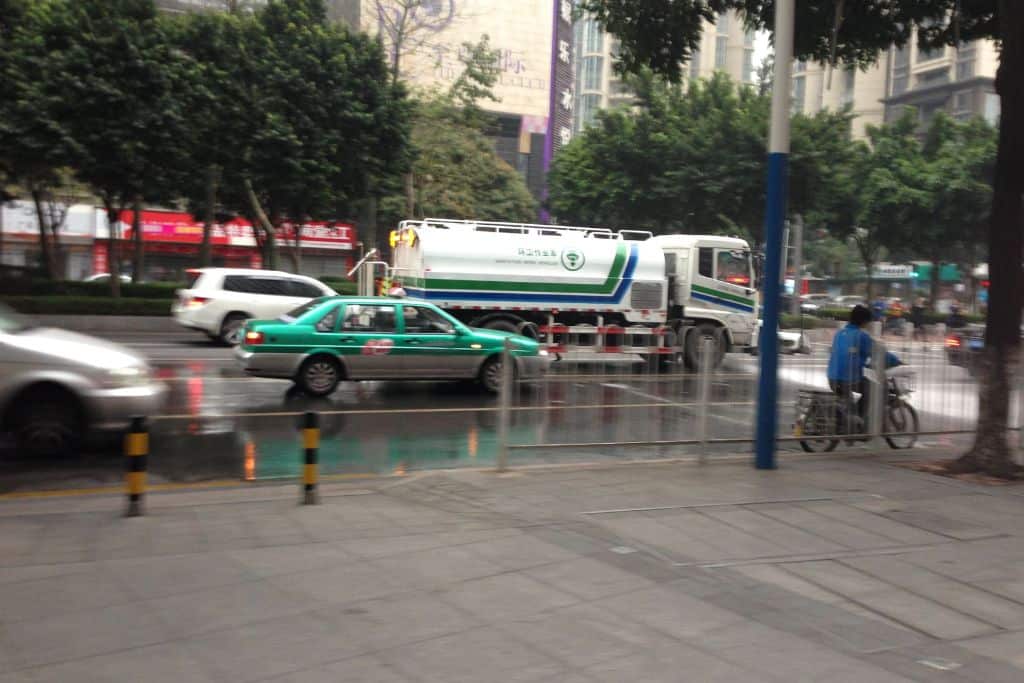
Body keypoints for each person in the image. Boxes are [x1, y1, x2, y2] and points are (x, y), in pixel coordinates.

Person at [827, 304, 901, 423]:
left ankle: (852, 416)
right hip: (849, 379)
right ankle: (860, 420)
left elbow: (846, 355)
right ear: (864, 321)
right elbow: (879, 353)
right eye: (868, 322)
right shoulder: (861, 336)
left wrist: (864, 364)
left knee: (857, 394)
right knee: (878, 389)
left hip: (832, 378)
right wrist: (897, 361)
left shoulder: (839, 333)